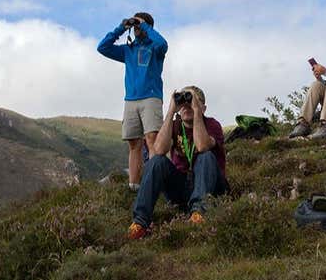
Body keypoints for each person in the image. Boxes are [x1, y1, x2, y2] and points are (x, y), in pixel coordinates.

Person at [128, 85, 228, 239]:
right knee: (157, 161)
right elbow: (159, 150)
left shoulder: (212, 125)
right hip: (183, 188)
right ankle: (140, 223)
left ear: (204, 108)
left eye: (192, 100)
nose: (187, 105)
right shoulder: (175, 125)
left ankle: (198, 214)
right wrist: (171, 112)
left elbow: (201, 146)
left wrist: (196, 112)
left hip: (211, 187)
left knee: (206, 156)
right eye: (184, 102)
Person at [97, 12, 168, 192]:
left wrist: (144, 25)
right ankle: (134, 186)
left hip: (151, 97)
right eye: (135, 25)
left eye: (139, 25)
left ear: (148, 27)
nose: (136, 28)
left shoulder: (155, 48)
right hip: (130, 100)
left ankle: (155, 183)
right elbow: (102, 47)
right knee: (134, 144)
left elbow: (163, 44)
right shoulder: (128, 50)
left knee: (152, 140)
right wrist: (122, 27)